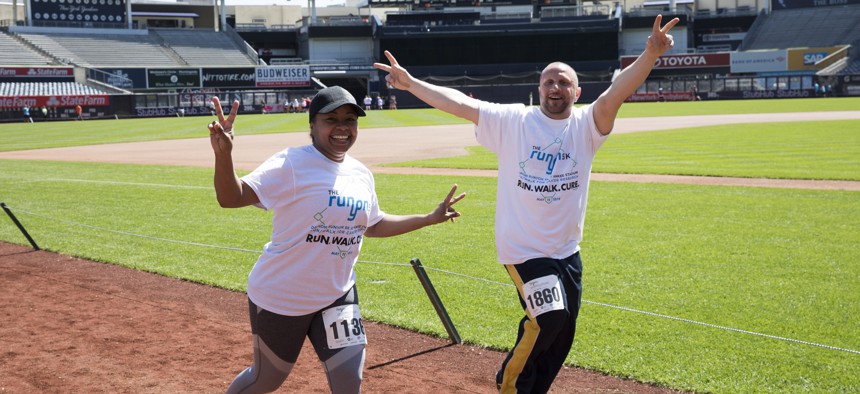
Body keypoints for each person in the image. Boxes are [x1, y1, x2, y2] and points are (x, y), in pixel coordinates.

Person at [374, 14, 679, 394]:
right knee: (549, 318)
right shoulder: (515, 121)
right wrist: (411, 84)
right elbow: (460, 105)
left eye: (564, 82)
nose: (555, 86)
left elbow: (616, 92)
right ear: (539, 88)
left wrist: (650, 54)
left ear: (576, 92)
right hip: (523, 250)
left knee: (562, 333)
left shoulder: (587, 127)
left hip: (567, 251)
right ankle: (510, 384)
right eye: (549, 80)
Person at [207, 86, 466, 394]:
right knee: (266, 379)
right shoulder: (290, 163)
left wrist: (428, 218)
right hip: (283, 296)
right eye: (332, 119)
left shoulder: (360, 173)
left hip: (337, 294)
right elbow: (230, 197)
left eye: (350, 119)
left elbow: (374, 224)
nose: (343, 127)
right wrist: (224, 156)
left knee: (349, 382)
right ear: (312, 125)